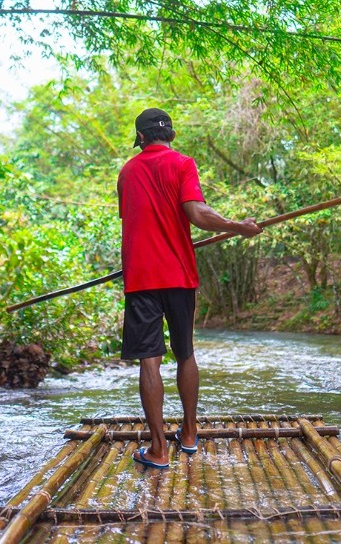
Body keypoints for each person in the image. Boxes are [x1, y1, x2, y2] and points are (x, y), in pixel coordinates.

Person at [118, 107, 261, 469]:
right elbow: (196, 213)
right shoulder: (183, 163)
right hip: (179, 275)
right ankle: (190, 432)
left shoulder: (127, 172)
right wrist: (237, 227)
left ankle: (158, 450)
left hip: (141, 278)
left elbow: (136, 218)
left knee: (149, 360)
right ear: (171, 134)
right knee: (185, 353)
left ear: (140, 137)